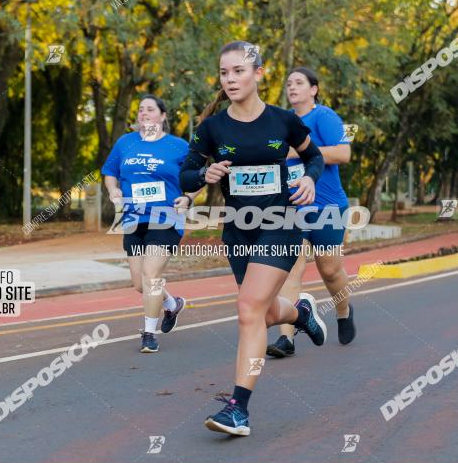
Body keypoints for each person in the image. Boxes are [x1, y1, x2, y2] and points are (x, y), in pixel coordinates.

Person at [179, 41, 326, 436]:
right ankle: (301, 314)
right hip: (238, 226)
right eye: (224, 72)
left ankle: (237, 409)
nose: (230, 79)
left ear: (258, 74)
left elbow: (315, 157)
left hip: (281, 220)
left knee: (247, 309)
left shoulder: (283, 121)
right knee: (262, 311)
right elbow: (186, 174)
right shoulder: (211, 128)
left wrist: (310, 180)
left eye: (239, 71)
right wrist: (203, 177)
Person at [266, 67, 355, 359]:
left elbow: (343, 154)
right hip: (294, 206)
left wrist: (296, 152)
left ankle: (343, 310)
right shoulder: (281, 121)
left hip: (328, 206)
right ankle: (286, 338)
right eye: (288, 83)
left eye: (299, 82)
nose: (292, 87)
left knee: (330, 270)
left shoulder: (324, 117)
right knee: (292, 269)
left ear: (313, 89)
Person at [103, 95, 197, 353]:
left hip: (166, 217)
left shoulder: (178, 146)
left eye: (150, 109)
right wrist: (113, 191)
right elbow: (110, 172)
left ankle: (148, 334)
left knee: (151, 275)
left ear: (163, 116)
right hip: (134, 217)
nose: (143, 113)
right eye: (140, 109)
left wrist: (188, 197)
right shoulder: (126, 143)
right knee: (139, 283)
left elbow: (197, 177)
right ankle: (172, 304)